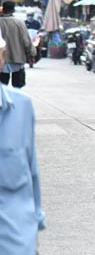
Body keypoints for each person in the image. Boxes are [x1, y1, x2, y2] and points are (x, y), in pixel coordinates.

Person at [0, 29, 46, 255]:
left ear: (1, 56)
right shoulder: (19, 24)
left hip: (14, 242)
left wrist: (35, 223)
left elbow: (31, 170)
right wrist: (30, 52)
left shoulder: (22, 107)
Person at [0, 1, 35, 88]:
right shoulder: (19, 22)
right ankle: (15, 100)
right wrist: (31, 54)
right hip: (18, 58)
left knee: (2, 87)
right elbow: (26, 40)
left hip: (2, 59)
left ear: (3, 9)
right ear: (13, 10)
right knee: (17, 86)